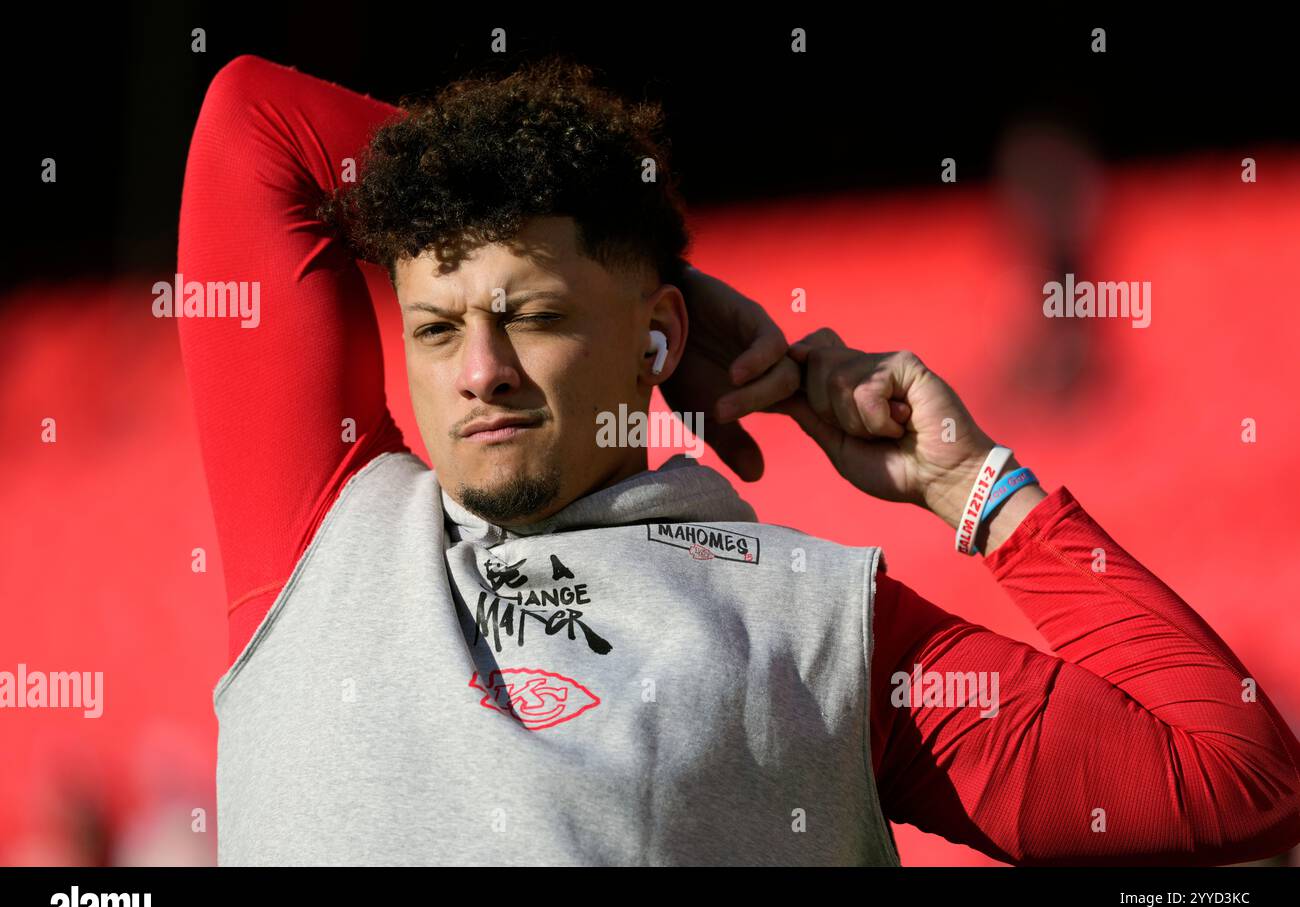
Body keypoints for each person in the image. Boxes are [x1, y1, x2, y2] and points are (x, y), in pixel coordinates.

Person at [176, 53, 1300, 866]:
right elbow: (250, 121)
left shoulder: (815, 623)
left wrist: (974, 489)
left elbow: (1233, 782)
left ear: (645, 329)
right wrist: (670, 286)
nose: (480, 370)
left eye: (535, 315)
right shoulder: (322, 528)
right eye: (435, 327)